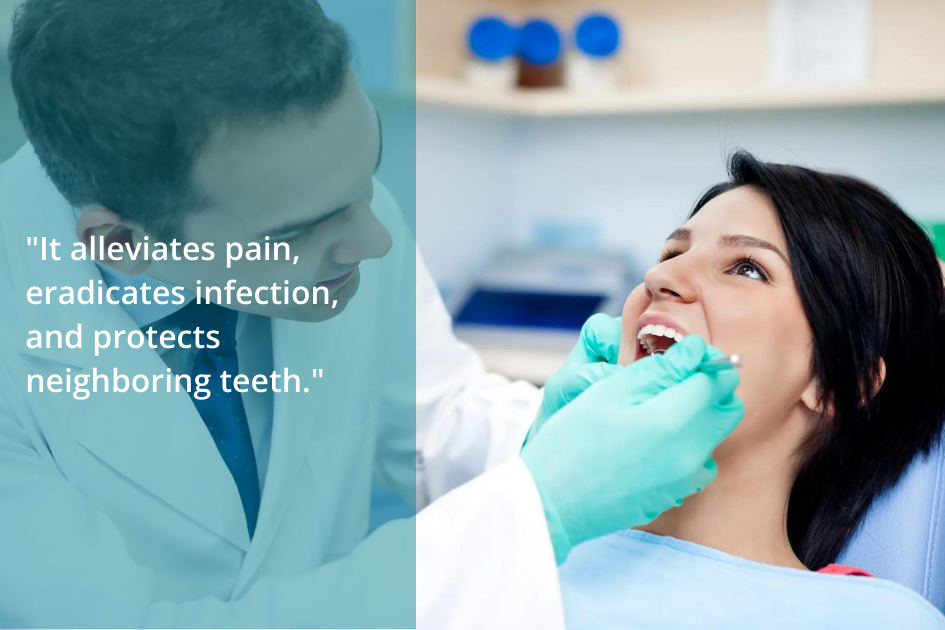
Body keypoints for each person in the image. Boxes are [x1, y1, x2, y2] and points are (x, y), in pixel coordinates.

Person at [0, 1, 743, 627]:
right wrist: (540, 505)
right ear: (121, 242)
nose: (376, 238)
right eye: (294, 233)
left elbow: (435, 419)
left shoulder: (325, 200)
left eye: (369, 176)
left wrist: (556, 433)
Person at [557, 152, 945, 628]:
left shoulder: (876, 618)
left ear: (836, 382)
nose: (661, 278)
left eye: (746, 267)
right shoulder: (520, 549)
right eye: (672, 254)